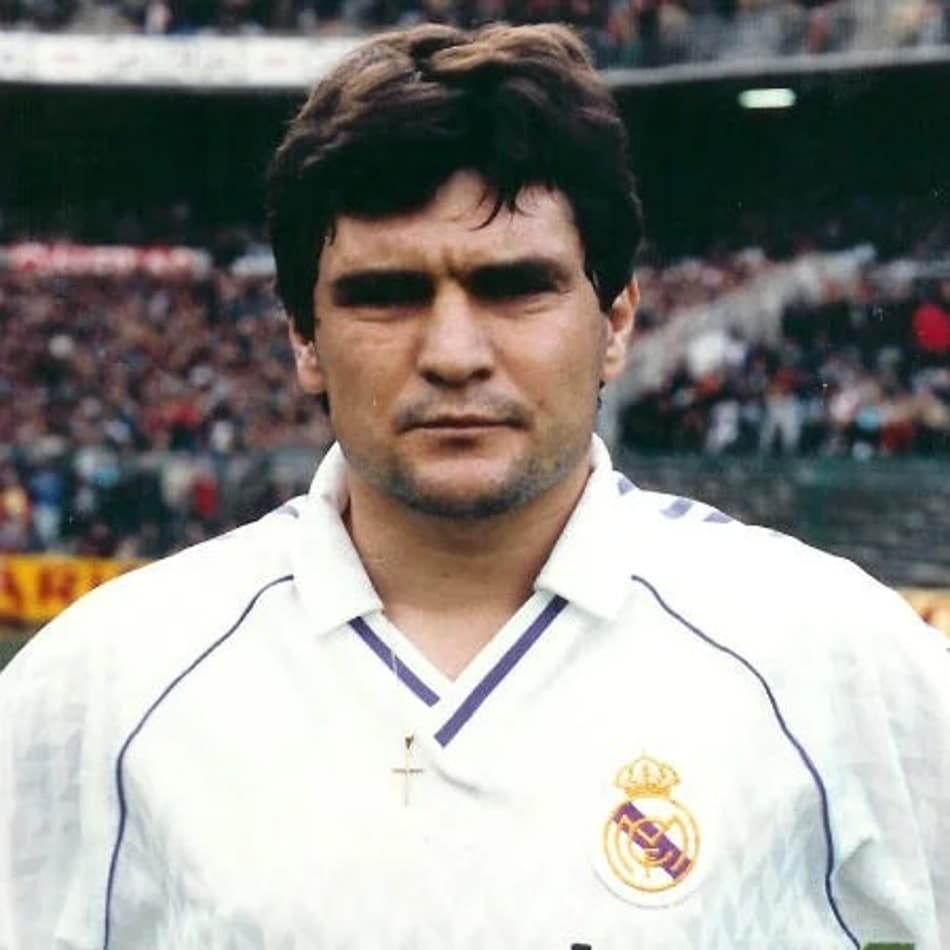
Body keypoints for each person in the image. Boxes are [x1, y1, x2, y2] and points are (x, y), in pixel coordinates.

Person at [1, 23, 948, 950]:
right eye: (386, 294)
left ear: (617, 320)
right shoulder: (104, 687)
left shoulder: (831, 655)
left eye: (514, 286)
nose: (453, 353)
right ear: (303, 339)